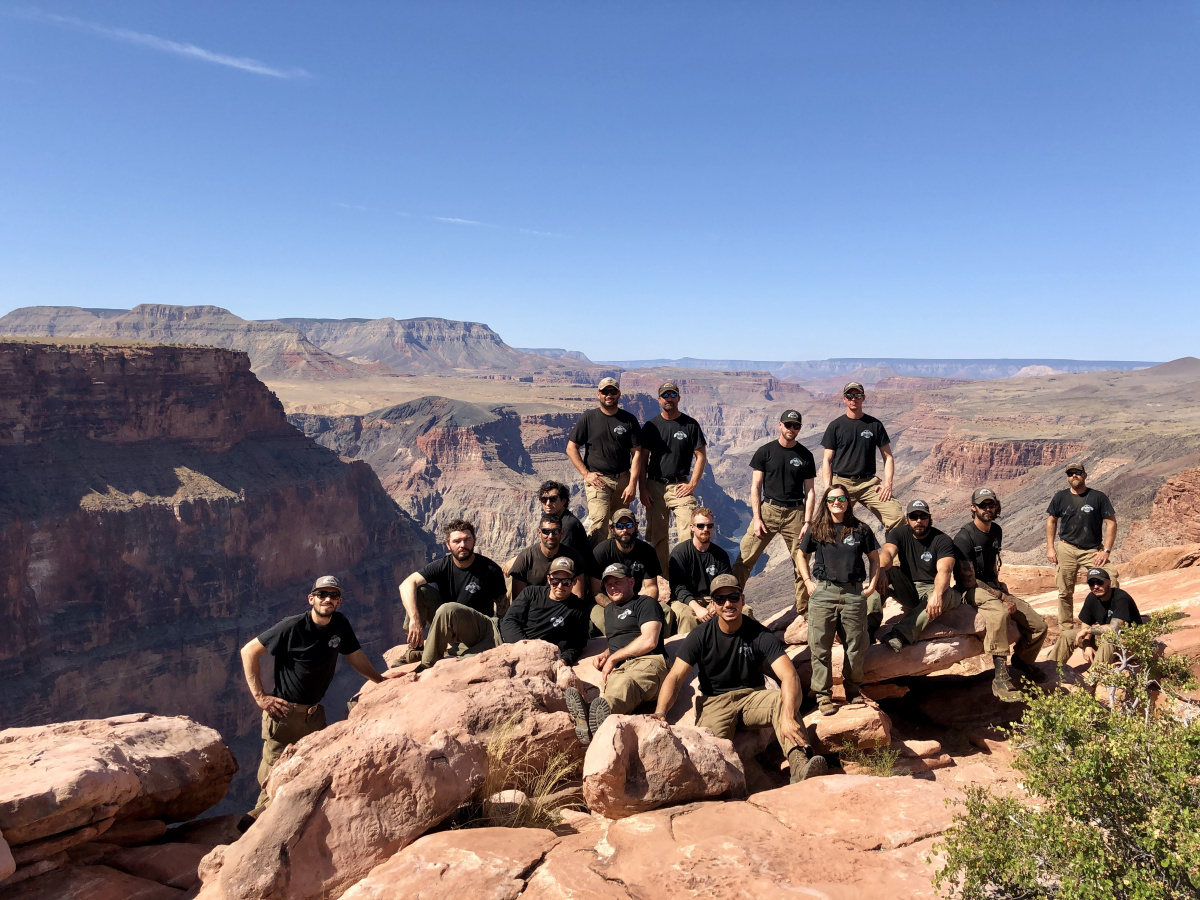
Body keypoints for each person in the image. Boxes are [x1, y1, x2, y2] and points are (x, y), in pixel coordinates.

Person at [652, 574, 828, 783]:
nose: (728, 604)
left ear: (742, 600)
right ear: (712, 604)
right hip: (714, 703)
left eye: (733, 597)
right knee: (711, 755)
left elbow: (789, 675)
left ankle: (799, 765)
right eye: (720, 599)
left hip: (752, 698)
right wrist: (661, 712)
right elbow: (675, 676)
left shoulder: (759, 634)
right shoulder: (700, 635)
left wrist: (788, 717)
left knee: (783, 701)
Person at [240, 576, 387, 820]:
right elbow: (249, 651)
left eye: (332, 595)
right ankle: (253, 829)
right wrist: (260, 697)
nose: (327, 599)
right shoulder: (292, 626)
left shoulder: (340, 623)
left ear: (339, 601)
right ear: (311, 599)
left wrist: (381, 681)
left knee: (310, 776)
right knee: (272, 779)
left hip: (314, 716)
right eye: (321, 594)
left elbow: (354, 656)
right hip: (284, 715)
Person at [797, 486, 880, 716]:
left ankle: (853, 691)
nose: (837, 502)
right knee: (820, 647)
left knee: (855, 646)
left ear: (847, 501)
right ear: (826, 502)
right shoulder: (818, 528)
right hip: (823, 592)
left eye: (841, 498)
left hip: (853, 594)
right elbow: (801, 555)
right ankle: (824, 696)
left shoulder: (861, 529)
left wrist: (872, 585)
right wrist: (807, 581)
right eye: (832, 499)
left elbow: (874, 559)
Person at [565, 563, 668, 745]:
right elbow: (621, 640)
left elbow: (649, 640)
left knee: (627, 684)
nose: (612, 588)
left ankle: (595, 719)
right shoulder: (609, 611)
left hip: (648, 661)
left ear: (631, 582)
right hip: (620, 667)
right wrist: (607, 653)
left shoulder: (646, 603)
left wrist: (614, 656)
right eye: (608, 584)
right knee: (614, 688)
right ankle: (593, 721)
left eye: (617, 582)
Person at [953, 488, 1048, 686]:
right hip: (970, 591)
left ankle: (1023, 661)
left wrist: (1000, 586)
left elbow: (991, 564)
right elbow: (968, 581)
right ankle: (1000, 674)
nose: (987, 508)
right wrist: (1001, 597)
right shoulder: (964, 538)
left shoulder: (996, 530)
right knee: (1000, 614)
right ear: (973, 507)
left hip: (991, 587)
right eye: (982, 505)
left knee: (1039, 626)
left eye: (991, 504)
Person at [732, 410, 817, 618]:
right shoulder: (765, 451)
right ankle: (730, 601)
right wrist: (757, 517)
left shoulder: (806, 455)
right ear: (780, 425)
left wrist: (807, 521)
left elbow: (811, 491)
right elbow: (755, 486)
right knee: (744, 558)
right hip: (768, 510)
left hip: (796, 513)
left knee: (801, 562)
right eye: (788, 425)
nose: (792, 429)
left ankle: (803, 612)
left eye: (796, 426)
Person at [398, 520, 508, 669]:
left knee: (448, 609)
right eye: (457, 541)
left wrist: (496, 640)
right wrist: (414, 619)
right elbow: (406, 584)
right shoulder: (443, 565)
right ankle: (416, 648)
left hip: (476, 628)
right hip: (448, 624)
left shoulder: (490, 570)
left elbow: (503, 608)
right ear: (448, 545)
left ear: (474, 541)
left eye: (467, 539)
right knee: (420, 591)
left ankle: (427, 665)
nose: (463, 545)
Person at [566, 377, 645, 544]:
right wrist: (586, 474)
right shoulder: (588, 418)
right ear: (598, 394)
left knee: (620, 525)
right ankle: (593, 565)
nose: (609, 395)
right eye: (605, 392)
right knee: (600, 521)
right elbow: (571, 447)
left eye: (613, 392)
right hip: (598, 481)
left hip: (623, 480)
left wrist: (632, 484)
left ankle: (614, 563)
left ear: (619, 394)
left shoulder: (629, 420)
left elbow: (637, 453)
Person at [640, 380, 708, 574]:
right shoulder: (651, 426)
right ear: (659, 399)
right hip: (654, 486)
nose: (669, 399)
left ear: (678, 397)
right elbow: (642, 460)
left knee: (689, 531)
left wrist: (693, 484)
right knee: (659, 537)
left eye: (672, 395)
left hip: (680, 485)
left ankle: (686, 576)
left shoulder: (690, 425)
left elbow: (701, 456)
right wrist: (642, 489)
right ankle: (664, 578)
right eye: (665, 395)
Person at [877, 499, 963, 652]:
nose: (919, 521)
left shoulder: (942, 540)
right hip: (909, 589)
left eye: (923, 517)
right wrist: (882, 569)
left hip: (933, 587)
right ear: (907, 519)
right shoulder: (899, 533)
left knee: (945, 593)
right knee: (881, 574)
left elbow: (945, 570)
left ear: (930, 518)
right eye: (914, 517)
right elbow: (888, 552)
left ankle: (900, 634)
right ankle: (868, 627)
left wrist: (937, 594)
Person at [818, 382, 903, 533]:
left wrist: (888, 484)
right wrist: (828, 489)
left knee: (897, 517)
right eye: (849, 396)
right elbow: (827, 460)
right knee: (829, 522)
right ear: (844, 399)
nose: (853, 399)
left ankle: (892, 556)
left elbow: (888, 457)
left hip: (869, 483)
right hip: (841, 482)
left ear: (863, 398)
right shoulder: (835, 426)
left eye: (857, 395)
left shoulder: (874, 425)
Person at [1046, 462, 1119, 627]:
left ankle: (1109, 621)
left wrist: (1106, 551)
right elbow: (1051, 520)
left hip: (1092, 550)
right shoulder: (1060, 497)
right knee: (1064, 590)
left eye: (1077, 472)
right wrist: (1050, 547)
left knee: (1110, 578)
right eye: (1070, 473)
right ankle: (1066, 627)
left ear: (1085, 475)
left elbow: (1111, 523)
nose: (1074, 476)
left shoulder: (1098, 497)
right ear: (1067, 477)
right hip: (1066, 547)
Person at [500, 557, 591, 666]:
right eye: (555, 581)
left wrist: (564, 660)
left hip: (529, 655)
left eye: (566, 582)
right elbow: (509, 621)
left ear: (574, 581)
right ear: (549, 579)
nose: (560, 586)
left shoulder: (578, 609)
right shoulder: (531, 593)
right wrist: (526, 648)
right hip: (500, 636)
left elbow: (577, 644)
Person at [1052, 568, 1142, 669]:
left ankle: (1094, 677)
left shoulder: (1121, 598)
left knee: (1109, 639)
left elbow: (1114, 628)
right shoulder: (1092, 597)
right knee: (1067, 635)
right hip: (1104, 639)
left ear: (1109, 583)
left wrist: (1088, 630)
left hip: (1129, 642)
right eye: (1091, 583)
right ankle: (1052, 670)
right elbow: (1085, 624)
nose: (1096, 587)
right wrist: (1086, 645)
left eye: (1100, 582)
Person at [590, 508, 662, 633]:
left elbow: (651, 587)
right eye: (620, 526)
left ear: (636, 527)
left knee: (664, 611)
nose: (625, 530)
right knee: (602, 620)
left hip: (634, 600)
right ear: (613, 529)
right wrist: (615, 608)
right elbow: (596, 591)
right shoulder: (601, 552)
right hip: (608, 602)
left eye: (629, 525)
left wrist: (641, 607)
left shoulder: (647, 551)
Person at [667, 507, 732, 636]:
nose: (705, 529)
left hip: (712, 599)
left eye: (709, 525)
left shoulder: (721, 555)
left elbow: (725, 583)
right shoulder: (680, 553)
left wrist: (716, 604)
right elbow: (678, 587)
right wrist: (697, 608)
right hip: (685, 600)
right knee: (687, 617)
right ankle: (687, 653)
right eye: (700, 526)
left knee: (742, 611)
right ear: (692, 527)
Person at [510, 513, 588, 600]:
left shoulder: (573, 557)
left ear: (561, 533)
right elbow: (519, 600)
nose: (551, 536)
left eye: (555, 532)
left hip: (564, 609)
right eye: (546, 531)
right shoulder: (525, 558)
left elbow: (578, 596)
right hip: (533, 610)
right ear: (539, 533)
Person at [536, 480, 591, 556]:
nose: (548, 503)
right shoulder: (557, 521)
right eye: (544, 500)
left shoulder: (567, 525)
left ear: (563, 501)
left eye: (553, 499)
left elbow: (562, 555)